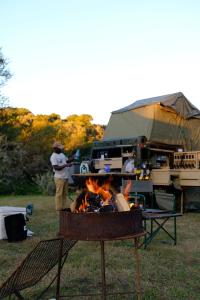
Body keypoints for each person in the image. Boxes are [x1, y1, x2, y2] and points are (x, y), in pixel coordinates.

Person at [50, 141, 73, 211]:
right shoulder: (53, 157)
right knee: (59, 193)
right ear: (55, 148)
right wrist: (66, 165)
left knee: (65, 193)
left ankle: (63, 207)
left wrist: (73, 158)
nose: (61, 149)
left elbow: (67, 161)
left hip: (65, 176)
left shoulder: (62, 154)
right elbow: (56, 167)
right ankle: (58, 208)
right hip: (59, 177)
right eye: (60, 148)